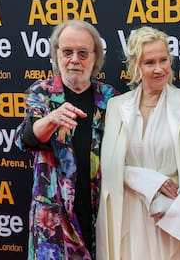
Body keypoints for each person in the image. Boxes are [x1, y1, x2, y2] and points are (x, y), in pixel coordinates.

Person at [96, 26, 180, 260]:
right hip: (130, 214)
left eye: (164, 60)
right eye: (150, 62)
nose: (159, 69)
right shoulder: (118, 106)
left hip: (173, 211)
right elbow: (110, 166)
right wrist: (148, 181)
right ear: (136, 66)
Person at [15, 19, 119, 259]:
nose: (74, 59)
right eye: (67, 52)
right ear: (56, 55)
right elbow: (24, 139)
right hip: (53, 220)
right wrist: (52, 119)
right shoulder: (42, 92)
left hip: (99, 212)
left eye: (83, 53)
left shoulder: (110, 98)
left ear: (95, 58)